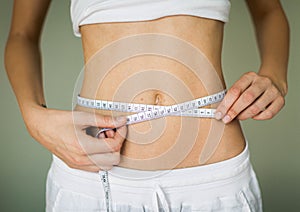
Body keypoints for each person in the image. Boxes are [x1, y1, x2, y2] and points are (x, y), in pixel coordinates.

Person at [5, 0, 289, 211]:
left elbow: (269, 11)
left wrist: (275, 75)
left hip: (213, 177)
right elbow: (21, 35)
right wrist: (33, 118)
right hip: (93, 174)